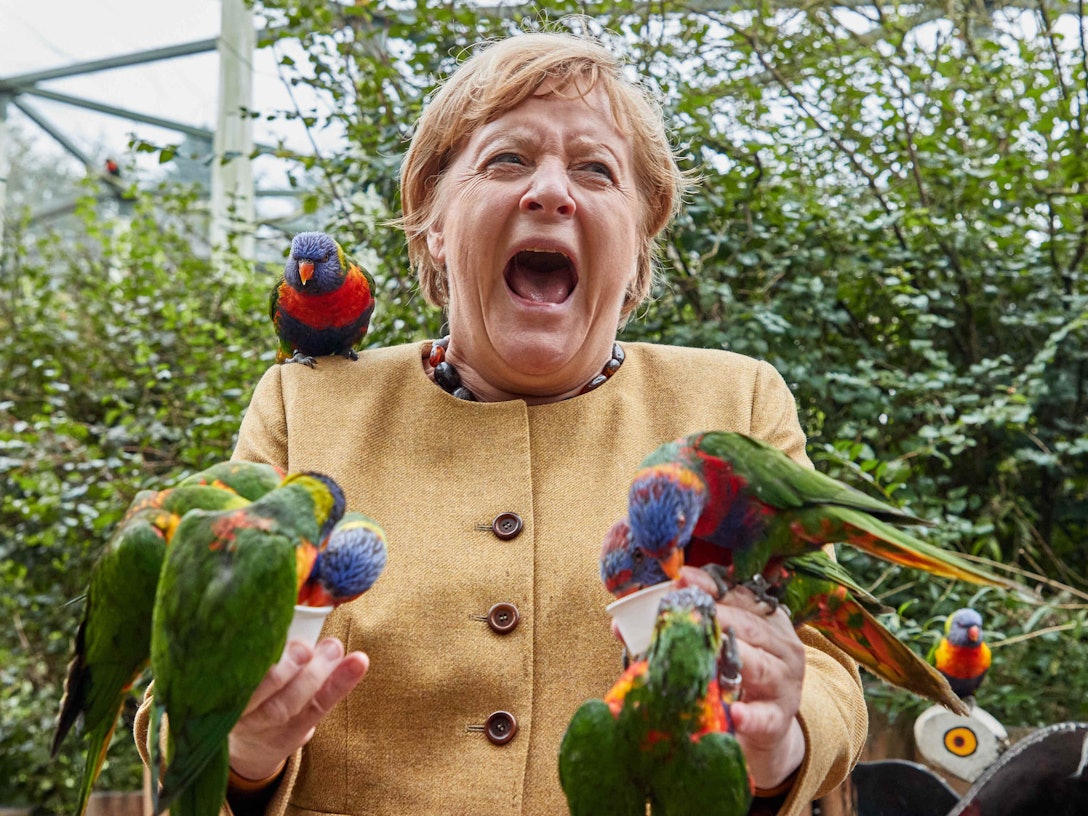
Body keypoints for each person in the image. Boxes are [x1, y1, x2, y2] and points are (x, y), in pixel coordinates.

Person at [135, 27, 867, 816]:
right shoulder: (304, 406)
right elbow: (182, 686)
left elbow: (830, 673)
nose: (550, 192)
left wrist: (778, 740)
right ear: (435, 223)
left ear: (638, 237)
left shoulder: (737, 406)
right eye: (507, 160)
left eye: (596, 169)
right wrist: (242, 748)